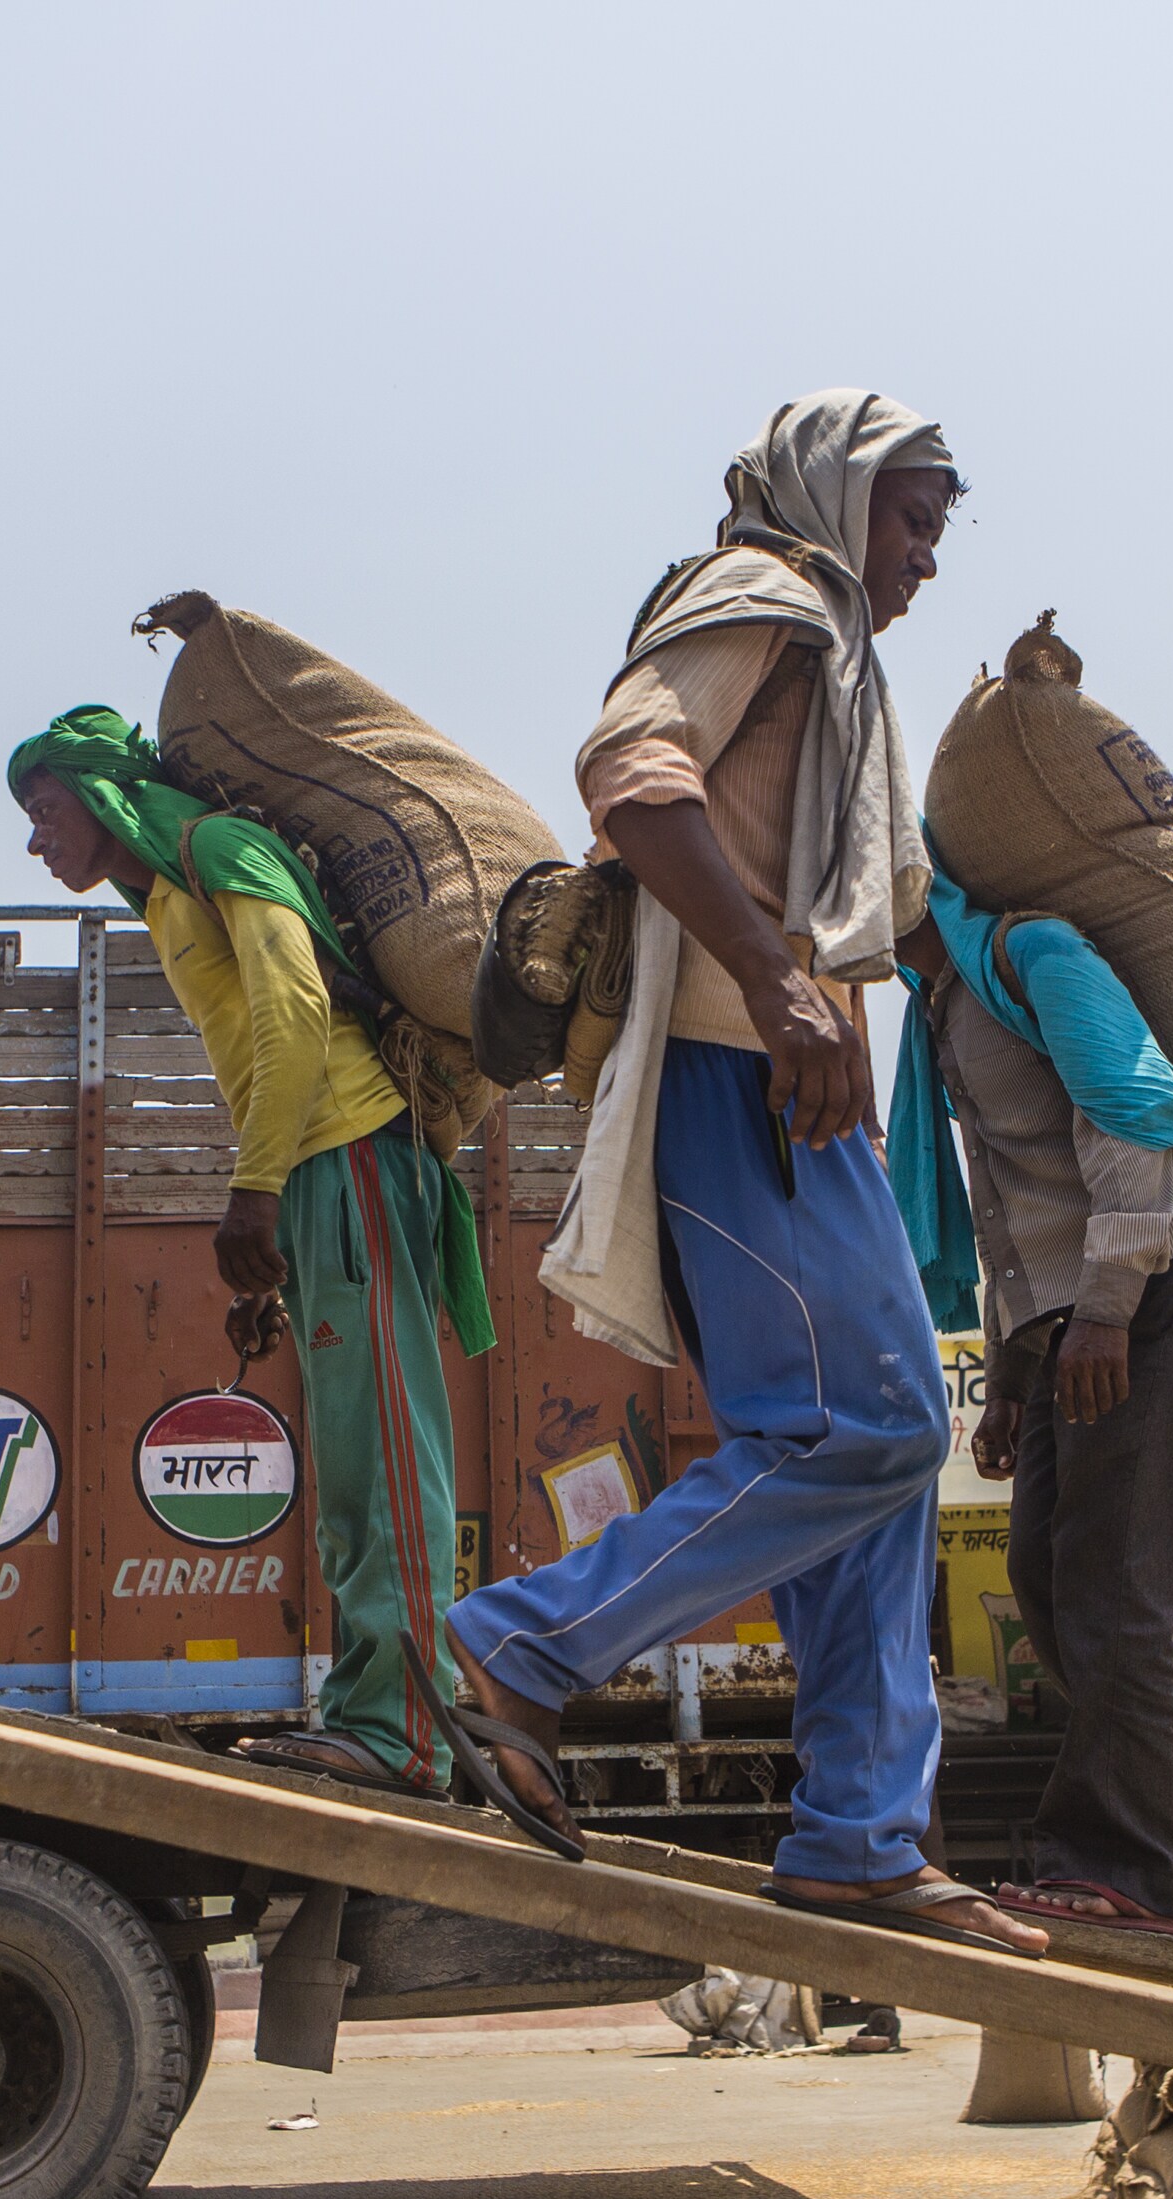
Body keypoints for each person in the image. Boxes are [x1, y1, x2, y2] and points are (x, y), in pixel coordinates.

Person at [441, 391, 1042, 1951]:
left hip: (802, 1089)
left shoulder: (838, 655)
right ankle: (523, 1643)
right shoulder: (764, 592)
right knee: (874, 1424)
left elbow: (861, 902)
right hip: (736, 1067)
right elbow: (634, 774)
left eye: (939, 528)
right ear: (836, 494)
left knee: (868, 1462)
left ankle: (860, 1836)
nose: (924, 557)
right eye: (911, 519)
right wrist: (780, 985)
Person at [6, 710, 509, 1827]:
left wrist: (257, 1187)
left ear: (102, 795)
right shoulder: (168, 897)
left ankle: (405, 1733)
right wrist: (272, 1240)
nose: (34, 839)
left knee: (387, 1455)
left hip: (353, 1157)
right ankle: (371, 1717)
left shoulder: (219, 850)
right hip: (322, 1176)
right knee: (351, 1473)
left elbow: (297, 1006)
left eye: (43, 810)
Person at [886, 879, 1173, 1935]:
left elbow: (1129, 1119)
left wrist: (1109, 1310)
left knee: (1115, 1595)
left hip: (1146, 1295)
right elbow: (1006, 1210)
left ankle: (1124, 1868)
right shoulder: (938, 1007)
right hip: (1062, 1324)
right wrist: (1010, 1373)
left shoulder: (1034, 953)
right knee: (1048, 1581)